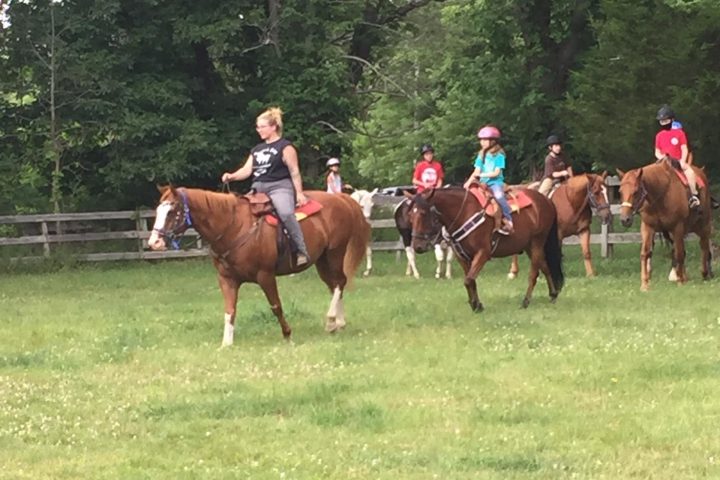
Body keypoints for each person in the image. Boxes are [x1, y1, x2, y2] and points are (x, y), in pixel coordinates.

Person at [221, 107, 310, 265]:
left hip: (279, 186)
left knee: (286, 214)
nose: (258, 130)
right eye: (257, 127)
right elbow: (247, 170)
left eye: (262, 126)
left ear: (273, 127)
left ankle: (300, 250)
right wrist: (232, 176)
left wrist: (299, 193)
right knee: (238, 212)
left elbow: (294, 171)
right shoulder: (257, 149)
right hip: (257, 188)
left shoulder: (285, 147)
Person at [463, 125, 513, 235]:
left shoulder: (499, 155)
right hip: (482, 183)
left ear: (493, 141)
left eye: (485, 140)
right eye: (481, 140)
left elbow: (496, 172)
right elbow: (476, 171)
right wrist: (468, 183)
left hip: (495, 182)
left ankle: (508, 219)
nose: (482, 142)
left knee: (499, 196)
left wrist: (482, 174)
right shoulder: (481, 155)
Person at [654, 105, 699, 209]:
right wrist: (662, 158)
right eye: (662, 121)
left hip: (678, 160)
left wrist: (682, 161)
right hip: (664, 161)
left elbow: (684, 148)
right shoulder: (659, 135)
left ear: (672, 120)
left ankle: (694, 195)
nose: (664, 123)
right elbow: (657, 151)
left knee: (690, 172)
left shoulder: (679, 133)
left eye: (666, 121)